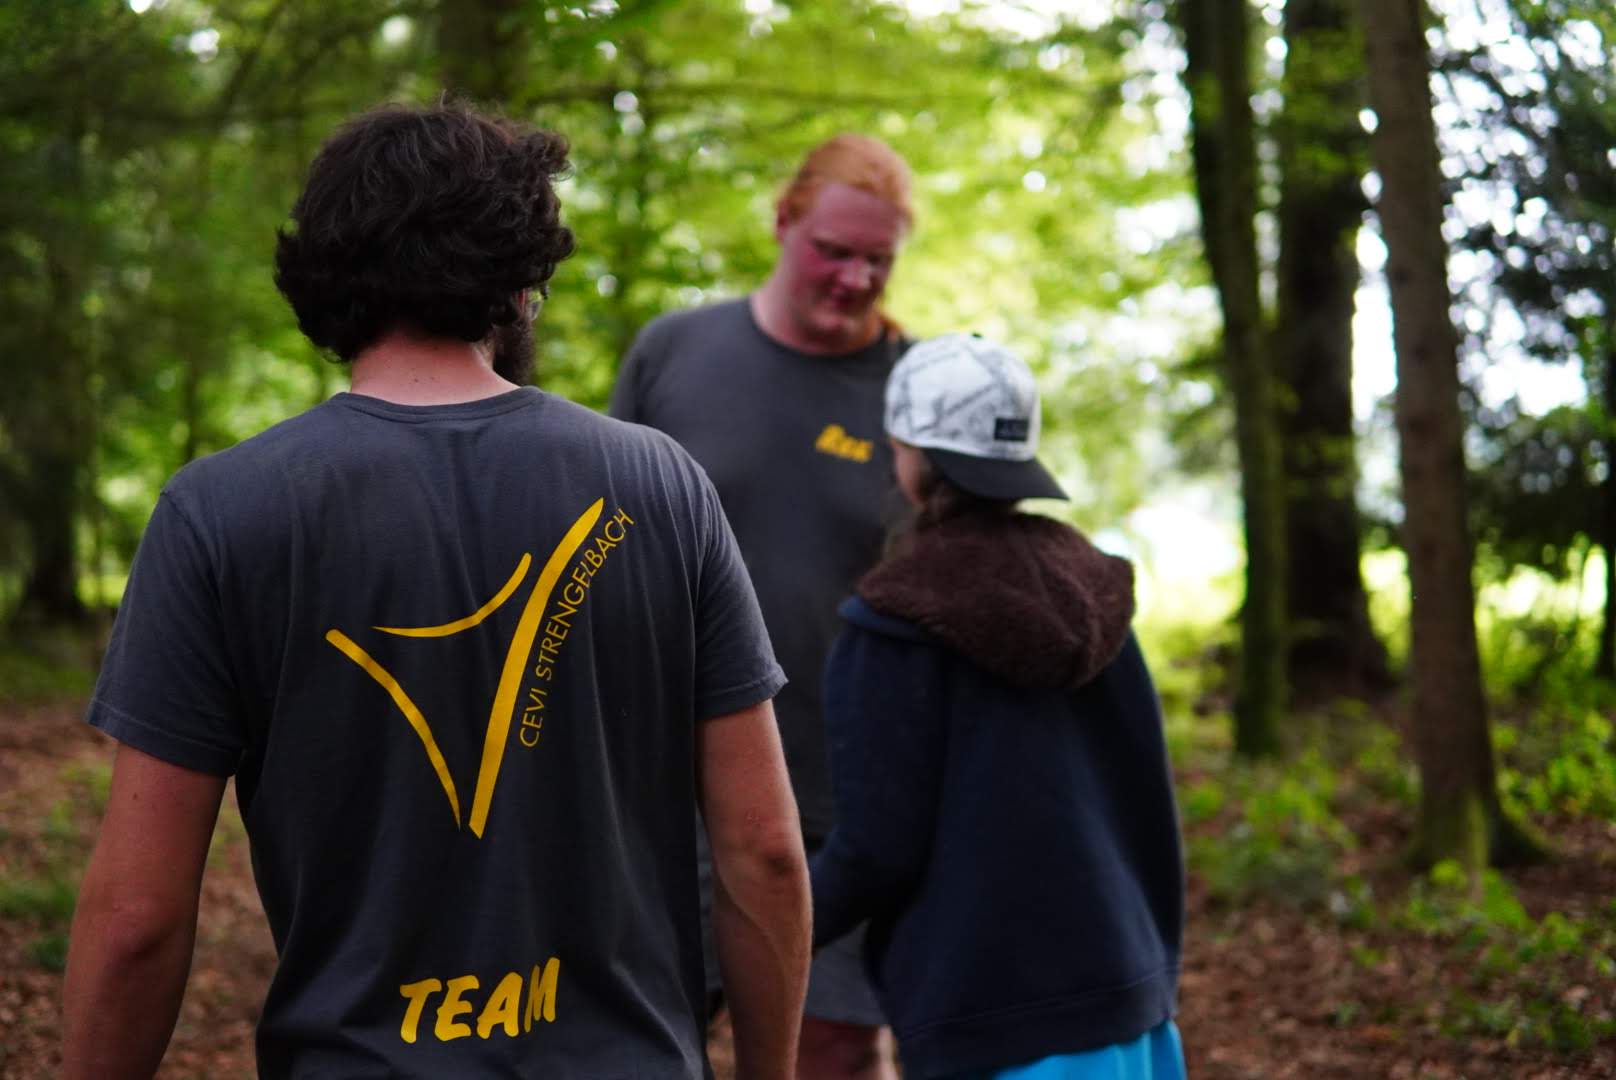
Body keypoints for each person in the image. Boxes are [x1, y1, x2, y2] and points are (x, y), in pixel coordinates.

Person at [61, 102, 811, 1079]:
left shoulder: (220, 512)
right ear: (522, 279)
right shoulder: (660, 487)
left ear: (324, 273)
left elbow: (136, 919)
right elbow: (764, 853)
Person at [609, 132, 911, 1078]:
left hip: (844, 791)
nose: (857, 278)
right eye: (835, 250)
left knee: (835, 1048)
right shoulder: (676, 351)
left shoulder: (912, 387)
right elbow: (602, 550)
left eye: (878, 259)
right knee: (649, 1037)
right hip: (670, 782)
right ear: (784, 221)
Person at [809, 334, 1188, 1080]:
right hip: (1132, 1007)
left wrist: (760, 931)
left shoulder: (893, 622)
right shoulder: (1095, 591)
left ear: (909, 455)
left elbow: (876, 849)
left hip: (995, 1022)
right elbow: (1149, 799)